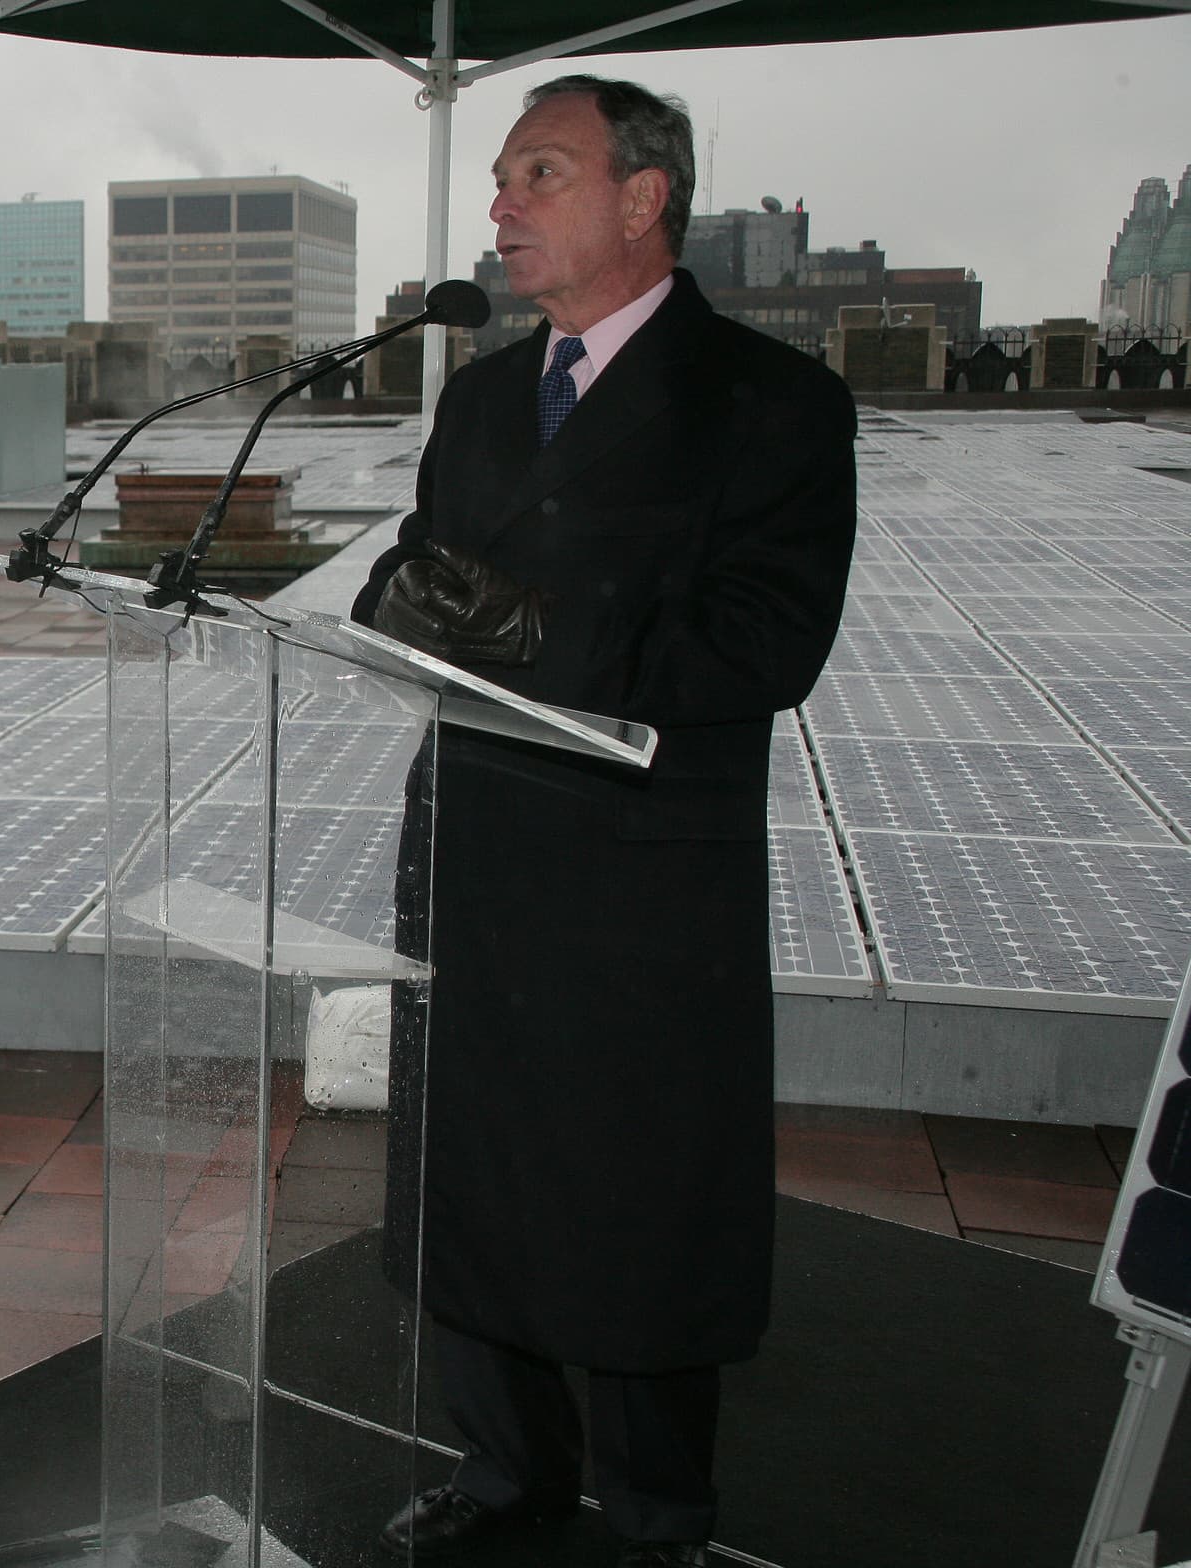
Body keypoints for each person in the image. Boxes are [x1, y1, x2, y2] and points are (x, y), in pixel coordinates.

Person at [351, 76, 855, 1567]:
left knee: (638, 1200)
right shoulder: (485, 394)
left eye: (540, 173)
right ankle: (506, 1468)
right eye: (501, 176)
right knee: (477, 1177)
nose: (501, 204)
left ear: (645, 199)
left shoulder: (771, 402)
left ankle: (656, 1518)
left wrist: (525, 629)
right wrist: (398, 604)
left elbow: (768, 645)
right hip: (476, 850)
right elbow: (416, 569)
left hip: (639, 883)